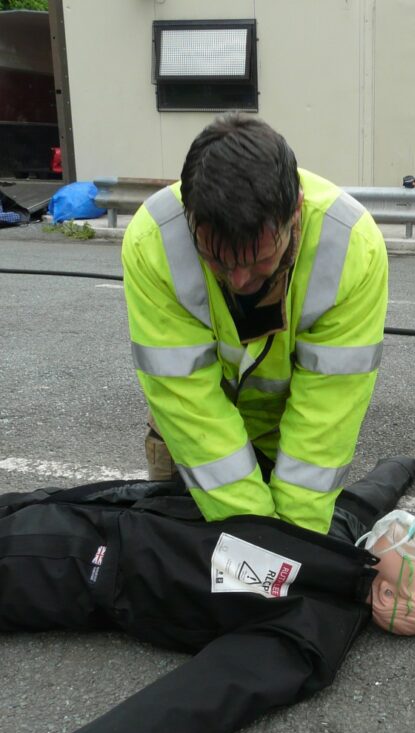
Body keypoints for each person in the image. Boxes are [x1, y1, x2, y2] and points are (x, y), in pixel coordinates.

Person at [0, 458, 415, 733]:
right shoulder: (342, 542)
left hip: (68, 565)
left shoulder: (305, 636)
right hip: (96, 507)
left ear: (387, 596)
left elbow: (173, 714)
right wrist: (403, 464)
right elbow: (364, 497)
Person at [121, 113, 388, 533]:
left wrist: (292, 542)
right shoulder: (154, 241)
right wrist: (253, 534)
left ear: (294, 212)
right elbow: (190, 404)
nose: (240, 279)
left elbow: (324, 418)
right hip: (198, 431)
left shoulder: (350, 248)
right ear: (190, 217)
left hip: (290, 432)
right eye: (216, 261)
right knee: (181, 550)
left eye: (258, 260)